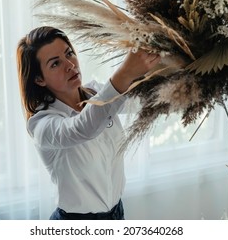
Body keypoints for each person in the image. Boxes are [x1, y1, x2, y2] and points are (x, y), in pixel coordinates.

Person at [16, 26, 161, 220]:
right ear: (39, 79)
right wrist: (125, 74)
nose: (70, 65)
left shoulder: (95, 92)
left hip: (117, 214)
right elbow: (82, 128)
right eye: (55, 64)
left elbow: (143, 101)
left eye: (69, 53)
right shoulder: (42, 124)